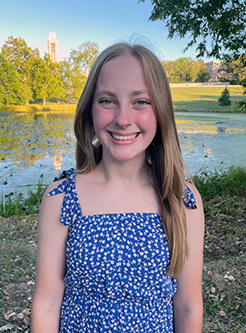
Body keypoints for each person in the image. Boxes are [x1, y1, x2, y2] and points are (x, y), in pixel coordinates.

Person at [31, 42, 204, 333]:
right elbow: (47, 304)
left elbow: (188, 305)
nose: (123, 119)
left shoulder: (181, 199)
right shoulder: (61, 198)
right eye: (107, 101)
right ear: (89, 110)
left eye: (141, 101)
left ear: (161, 111)